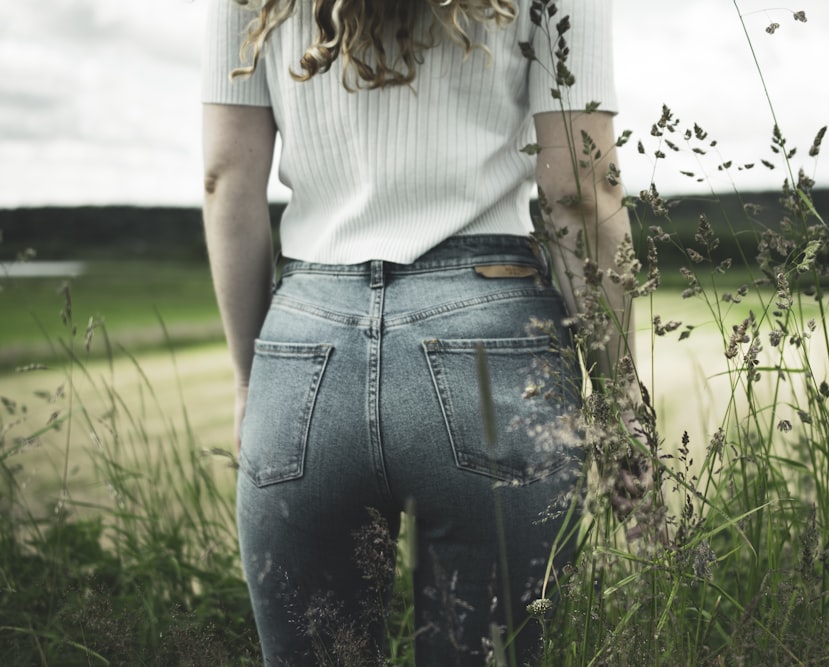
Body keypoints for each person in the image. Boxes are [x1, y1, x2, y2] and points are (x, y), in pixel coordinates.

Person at [201, 0, 634, 663]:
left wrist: (248, 377)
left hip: (305, 354)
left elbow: (227, 178)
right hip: (490, 359)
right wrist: (620, 402)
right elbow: (582, 193)